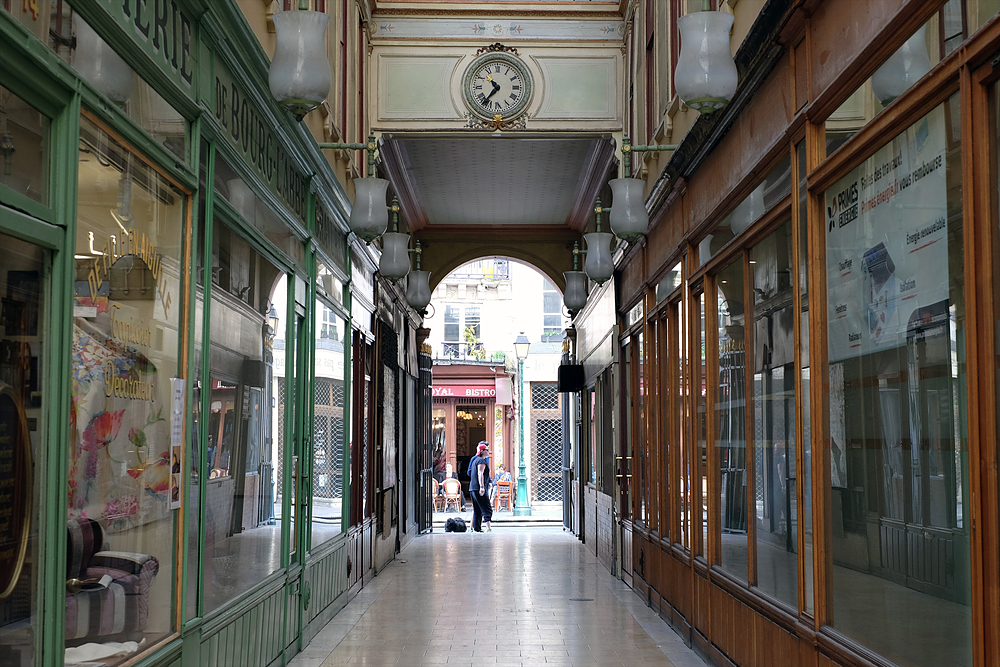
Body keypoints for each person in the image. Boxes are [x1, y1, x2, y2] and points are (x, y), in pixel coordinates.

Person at [469, 441, 493, 533]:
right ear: (482, 451)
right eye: (487, 450)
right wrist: (482, 487)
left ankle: (477, 528)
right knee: (486, 508)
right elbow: (480, 473)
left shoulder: (475, 460)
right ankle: (488, 528)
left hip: (472, 487)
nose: (488, 451)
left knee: (477, 509)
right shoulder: (481, 461)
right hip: (478, 488)